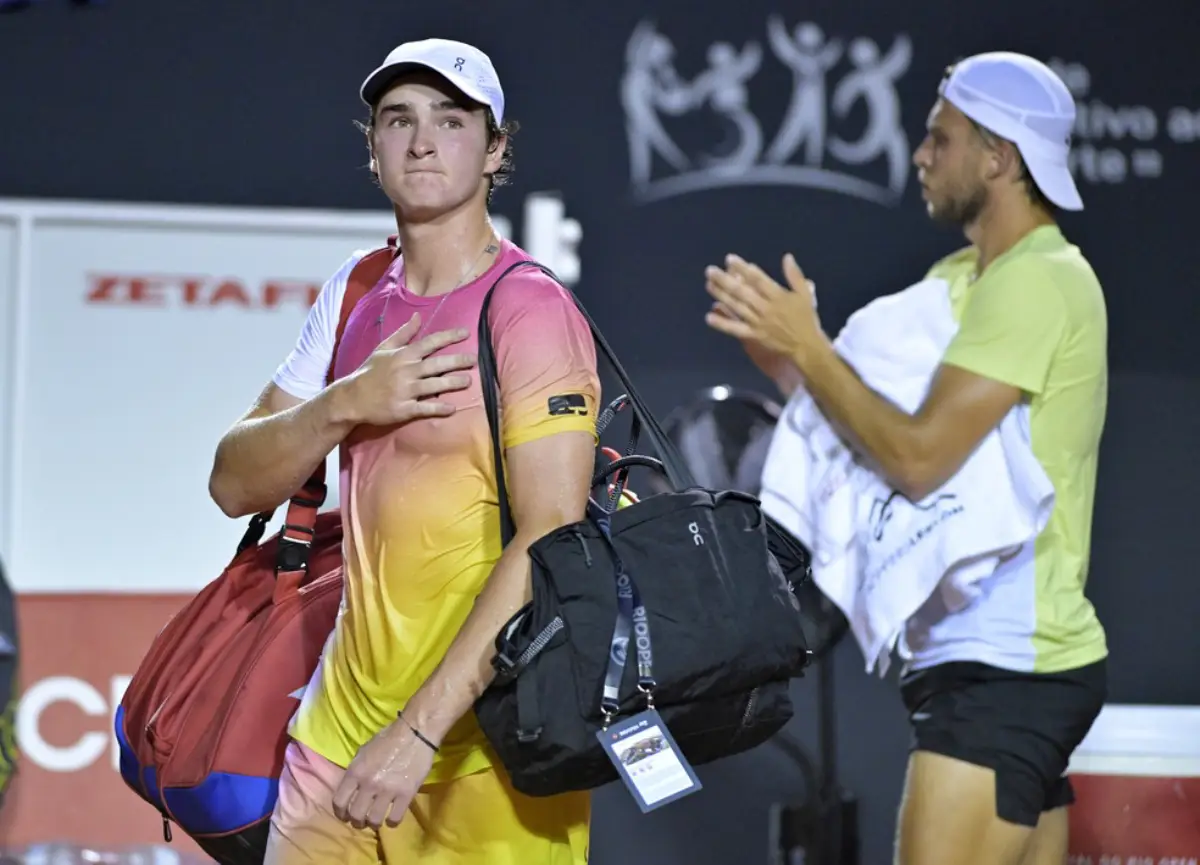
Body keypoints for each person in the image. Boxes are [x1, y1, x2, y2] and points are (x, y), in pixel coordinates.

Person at [703, 52, 1108, 865]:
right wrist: (791, 362)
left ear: (999, 157)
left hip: (1005, 672)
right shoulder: (966, 278)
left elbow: (918, 459)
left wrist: (812, 351)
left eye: (940, 137)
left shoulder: (1039, 281)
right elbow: (883, 433)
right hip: (994, 670)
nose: (921, 154)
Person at [208, 38, 600, 865]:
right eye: (399, 119)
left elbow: (552, 535)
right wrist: (347, 401)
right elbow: (234, 481)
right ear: (374, 147)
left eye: (450, 121)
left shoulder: (529, 309)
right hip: (335, 738)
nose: (422, 140)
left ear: (495, 150)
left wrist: (418, 731)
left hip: (492, 752)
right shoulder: (354, 291)